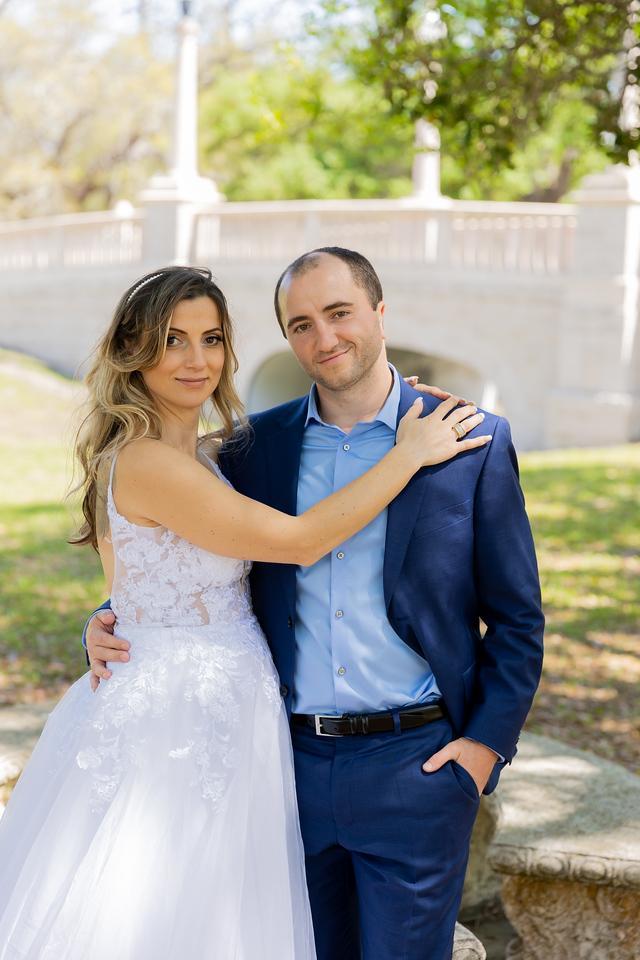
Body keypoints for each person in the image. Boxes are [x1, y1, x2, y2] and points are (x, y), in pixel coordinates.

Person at [0, 265, 489, 960]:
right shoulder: (147, 463)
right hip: (174, 727)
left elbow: (154, 578)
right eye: (172, 339)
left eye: (211, 338)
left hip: (245, 722)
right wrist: (408, 454)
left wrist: (383, 404)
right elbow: (299, 541)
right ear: (134, 350)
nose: (195, 360)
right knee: (155, 913)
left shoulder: (212, 453)